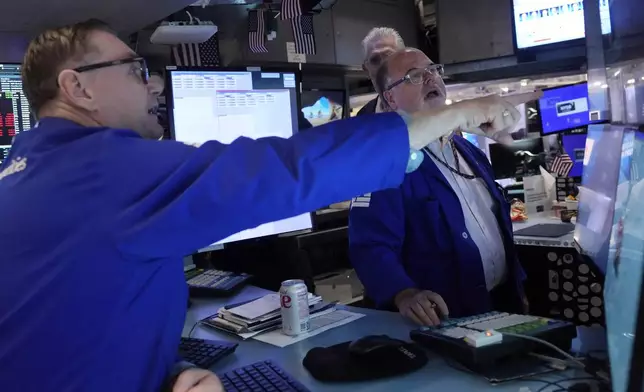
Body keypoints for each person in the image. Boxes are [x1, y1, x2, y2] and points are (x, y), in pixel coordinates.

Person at [0, 20, 525, 392]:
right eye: (135, 69)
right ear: (77, 88)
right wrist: (471, 110)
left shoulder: (28, 173)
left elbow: (79, 321)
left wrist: (169, 371)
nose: (155, 82)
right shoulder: (100, 169)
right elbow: (285, 169)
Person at [349, 48, 533, 326]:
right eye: (414, 76)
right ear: (390, 97)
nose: (430, 79)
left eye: (433, 70)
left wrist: (517, 287)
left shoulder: (470, 151)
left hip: (503, 305)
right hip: (446, 319)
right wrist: (404, 293)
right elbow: (370, 246)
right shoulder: (384, 162)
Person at [356, 27, 405, 116]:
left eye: (389, 57)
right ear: (366, 70)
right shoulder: (363, 116)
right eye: (375, 60)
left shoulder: (426, 106)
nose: (383, 66)